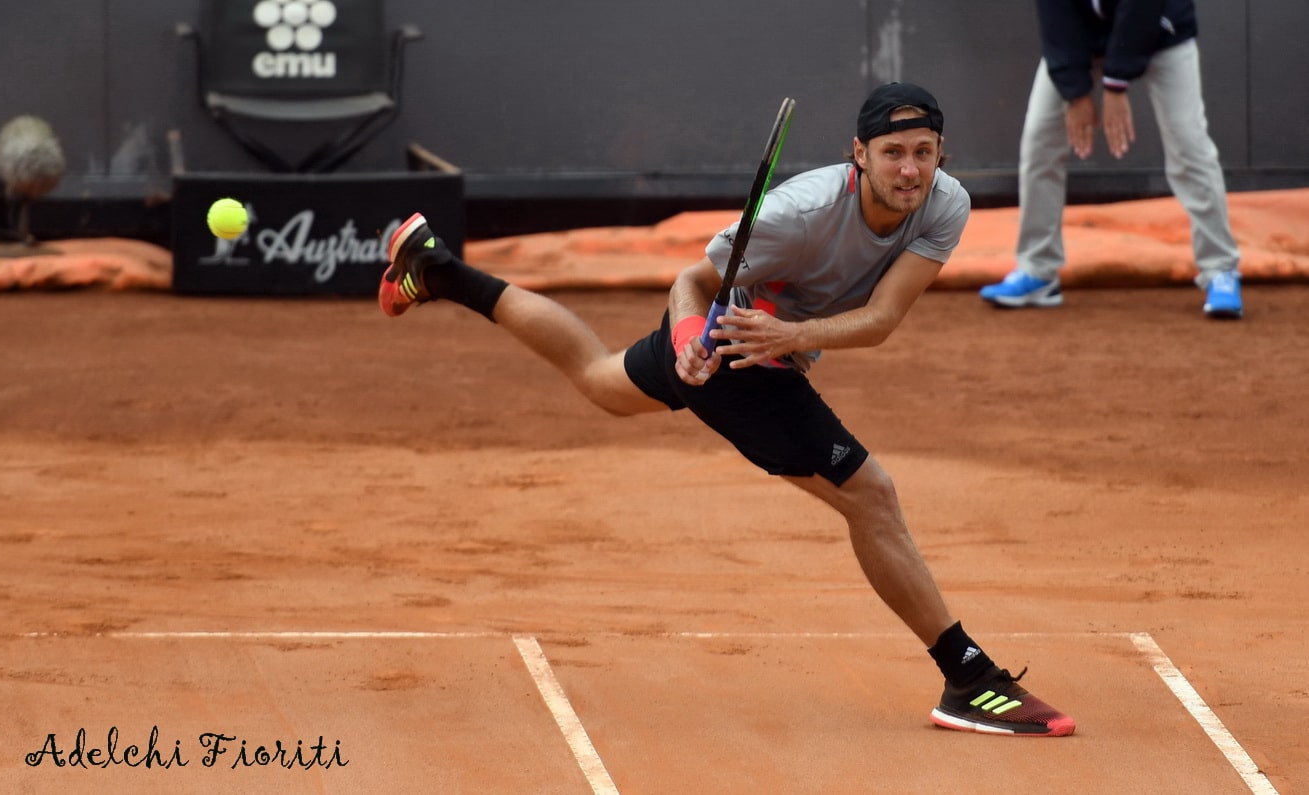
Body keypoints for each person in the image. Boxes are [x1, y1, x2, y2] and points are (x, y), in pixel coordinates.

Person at [379, 82, 1075, 737]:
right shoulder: (797, 214)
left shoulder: (945, 204)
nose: (909, 169)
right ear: (856, 155)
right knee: (871, 497)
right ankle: (967, 679)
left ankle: (439, 269)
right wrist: (690, 342)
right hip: (736, 352)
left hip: (774, 341)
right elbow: (692, 279)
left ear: (939, 157)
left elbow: (883, 316)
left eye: (923, 153)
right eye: (892, 153)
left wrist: (792, 335)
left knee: (598, 378)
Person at [979, 0, 1243, 319]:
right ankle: (1038, 270)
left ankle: (1220, 270)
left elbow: (1141, 9)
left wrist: (1116, 84)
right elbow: (1056, 15)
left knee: (1190, 145)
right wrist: (1075, 92)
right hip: (1084, 36)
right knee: (1040, 143)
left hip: (1161, 28)